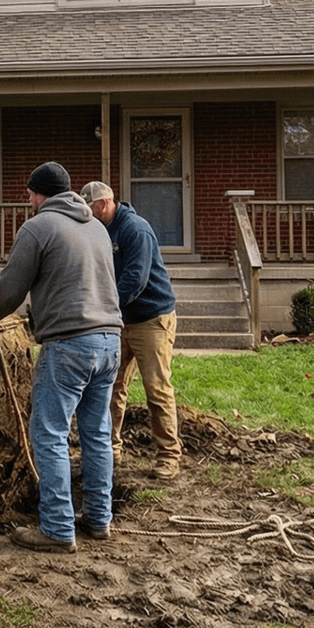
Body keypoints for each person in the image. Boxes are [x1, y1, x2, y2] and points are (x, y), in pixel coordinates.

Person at [0, 162, 122, 553]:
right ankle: (99, 519)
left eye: (31, 193)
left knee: (48, 434)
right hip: (110, 341)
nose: (29, 200)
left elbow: (9, 289)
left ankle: (57, 528)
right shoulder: (97, 227)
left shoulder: (39, 227)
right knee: (97, 433)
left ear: (43, 193)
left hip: (70, 345)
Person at [81, 181, 182, 480]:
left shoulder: (134, 229)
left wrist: (104, 309)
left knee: (157, 388)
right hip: (120, 318)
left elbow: (134, 281)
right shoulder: (99, 229)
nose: (87, 213)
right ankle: (109, 449)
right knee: (110, 386)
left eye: (90, 207)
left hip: (151, 318)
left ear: (104, 202)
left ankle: (168, 456)